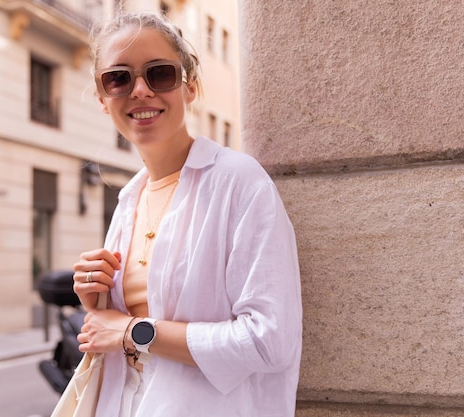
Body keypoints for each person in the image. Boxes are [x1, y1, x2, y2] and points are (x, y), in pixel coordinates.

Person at [71, 10, 302, 417]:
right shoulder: (129, 199)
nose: (140, 90)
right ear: (103, 99)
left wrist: (129, 330)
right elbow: (117, 334)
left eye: (159, 74)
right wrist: (100, 302)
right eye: (118, 78)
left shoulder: (238, 181)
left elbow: (269, 342)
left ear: (189, 86)